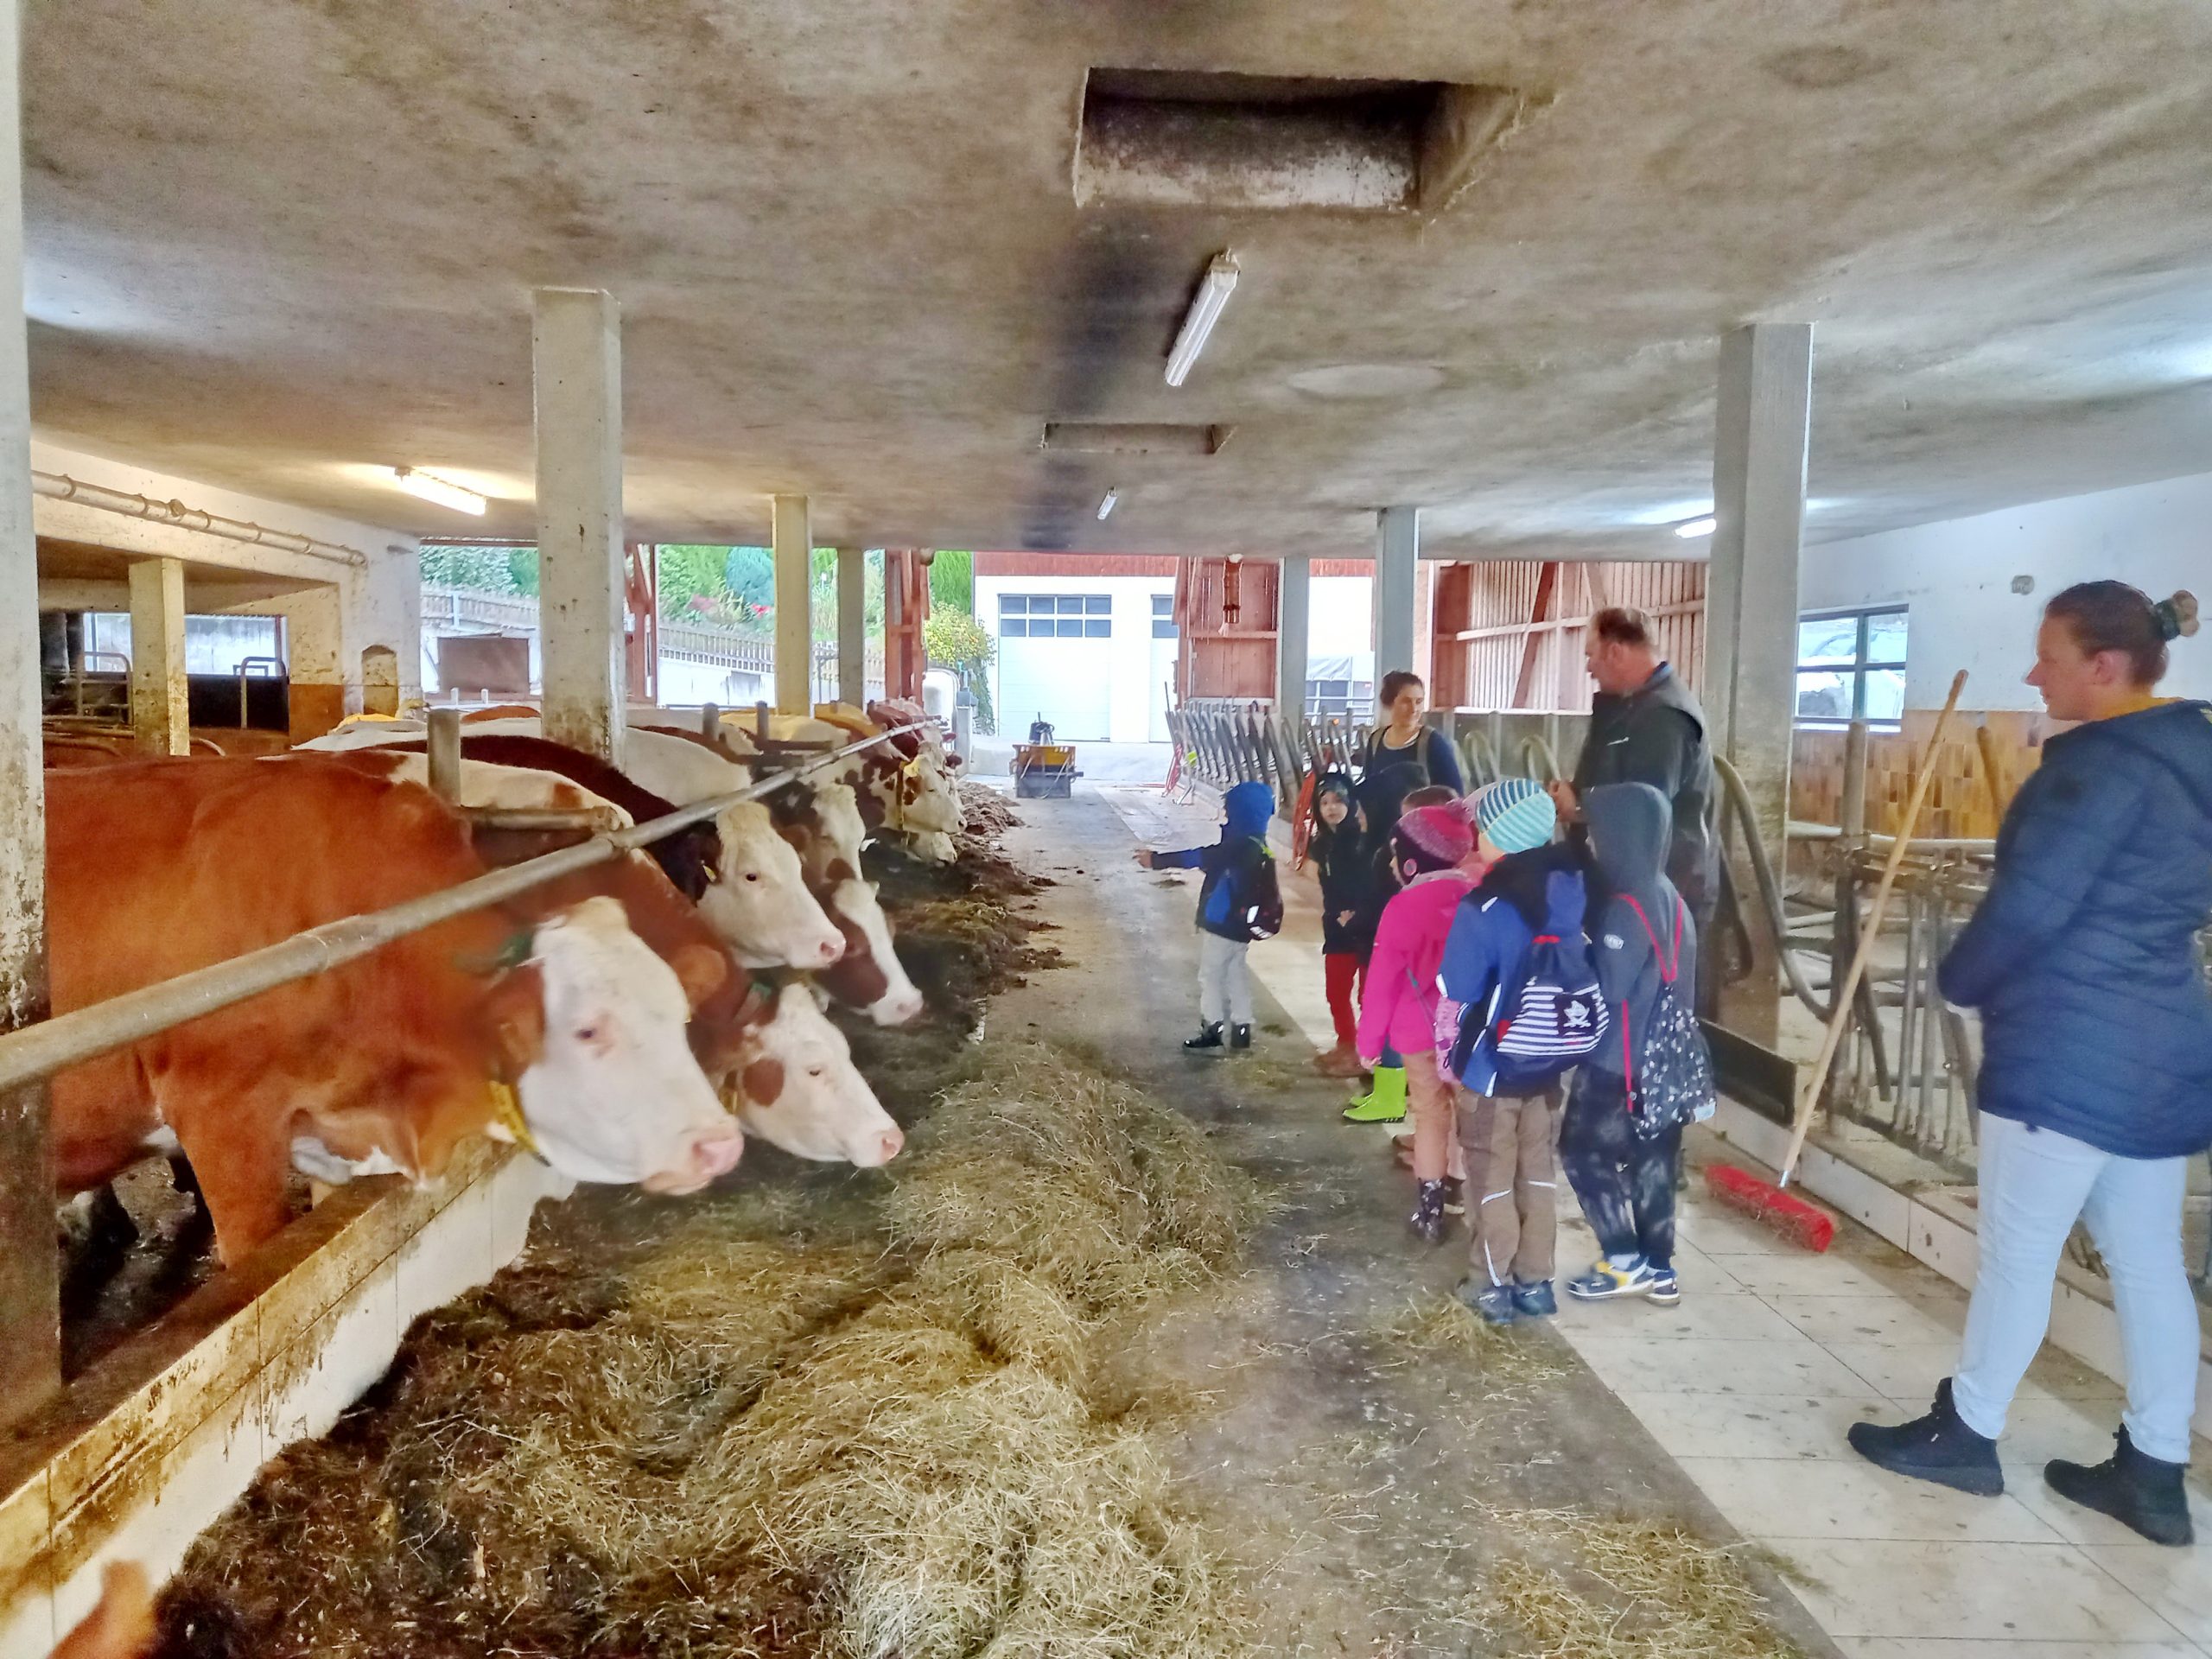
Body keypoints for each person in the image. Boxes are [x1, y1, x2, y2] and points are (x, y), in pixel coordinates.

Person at [1849, 584, 2209, 1548]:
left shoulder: (2093, 772)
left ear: (2104, 667)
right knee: (2148, 1263)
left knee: (2018, 1252)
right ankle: (2154, 1471)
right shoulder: (2192, 758)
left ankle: (1967, 1432)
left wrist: (1957, 979)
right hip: (2163, 1044)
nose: (2031, 673)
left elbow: (2030, 907)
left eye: (2048, 657)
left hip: (2066, 1048)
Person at [1437, 779, 1584, 1324]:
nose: (1475, 835)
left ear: (1500, 834)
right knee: (1536, 1172)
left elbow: (1457, 987)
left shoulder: (1485, 906)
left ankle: (1490, 1283)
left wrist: (1452, 1055)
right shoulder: (1571, 891)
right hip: (1549, 1065)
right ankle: (1535, 1283)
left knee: (1490, 1175)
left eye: (1482, 826)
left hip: (1492, 1068)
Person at [1559, 782, 1700, 1306]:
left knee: (1581, 1152)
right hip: (1667, 1061)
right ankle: (1659, 1267)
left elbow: (1611, 986)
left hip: (1617, 1062)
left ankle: (1622, 1259)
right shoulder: (1671, 897)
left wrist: (1577, 949)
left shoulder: (1626, 906)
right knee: (1654, 1161)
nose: (1594, 843)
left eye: (1599, 832)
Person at [1549, 607, 1716, 976]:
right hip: (1627, 882)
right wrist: (1576, 791)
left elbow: (1646, 811)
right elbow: (1616, 778)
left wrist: (1581, 807)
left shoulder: (1664, 717)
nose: (1589, 667)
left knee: (1648, 994)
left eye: (1591, 654)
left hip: (1663, 887)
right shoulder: (1630, 706)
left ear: (1615, 652)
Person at [1356, 802, 1478, 1243]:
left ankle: (1430, 1210)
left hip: (1417, 1032)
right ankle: (1464, 1189)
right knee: (1467, 1113)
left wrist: (1369, 1042)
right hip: (1467, 1030)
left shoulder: (1403, 906)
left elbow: (1382, 982)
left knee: (1429, 1115)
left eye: (1396, 854)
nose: (1392, 862)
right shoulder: (1476, 896)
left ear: (1412, 861)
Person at [1135, 778, 1278, 1054]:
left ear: (1242, 812)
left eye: (1230, 810)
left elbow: (1197, 857)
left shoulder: (1236, 846)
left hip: (1223, 923)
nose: (1225, 814)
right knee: (1235, 972)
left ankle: (1212, 1030)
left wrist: (1156, 860)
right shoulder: (1258, 845)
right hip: (1242, 926)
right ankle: (1242, 1028)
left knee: (1210, 976)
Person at [1306, 771, 1376, 1078]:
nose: (1331, 808)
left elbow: (1373, 885)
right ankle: (1346, 1043)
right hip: (1335, 929)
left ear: (1351, 802)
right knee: (1336, 992)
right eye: (1324, 802)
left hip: (1366, 929)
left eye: (1338, 800)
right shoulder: (1322, 843)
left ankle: (1367, 1053)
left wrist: (1358, 914)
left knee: (1367, 996)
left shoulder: (1364, 841)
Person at [1358, 671, 1465, 836]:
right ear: (1389, 702)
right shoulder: (1376, 740)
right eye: (1406, 701)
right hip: (1381, 833)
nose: (1414, 709)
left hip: (1421, 834)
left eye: (1419, 701)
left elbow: (1454, 795)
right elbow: (1369, 788)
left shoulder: (1433, 742)